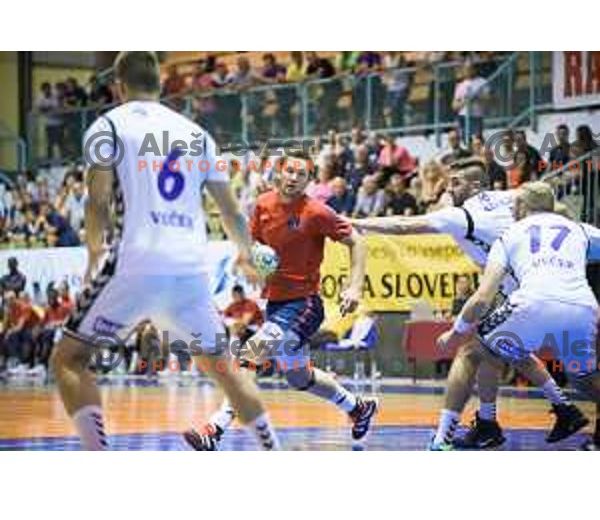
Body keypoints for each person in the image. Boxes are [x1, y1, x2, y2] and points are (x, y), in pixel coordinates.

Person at [50, 51, 279, 451]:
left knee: (69, 359)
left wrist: (91, 254)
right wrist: (245, 251)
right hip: (189, 272)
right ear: (159, 84)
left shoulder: (108, 125)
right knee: (225, 370)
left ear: (119, 86)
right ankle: (274, 451)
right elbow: (229, 210)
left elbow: (97, 202)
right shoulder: (197, 134)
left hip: (135, 263)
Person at [352, 159, 587, 449]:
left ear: (476, 186)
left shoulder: (463, 215)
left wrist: (355, 222)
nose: (449, 187)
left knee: (468, 352)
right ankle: (508, 420)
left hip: (529, 296)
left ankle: (442, 438)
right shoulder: (511, 197)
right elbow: (556, 206)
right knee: (502, 351)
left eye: (456, 182)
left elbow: (403, 224)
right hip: (549, 292)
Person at [184, 149, 378, 451]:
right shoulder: (262, 205)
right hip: (275, 304)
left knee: (250, 354)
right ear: (279, 172)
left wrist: (355, 288)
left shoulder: (316, 212)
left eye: (302, 174)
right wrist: (249, 265)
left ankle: (215, 429)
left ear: (308, 180)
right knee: (299, 377)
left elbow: (357, 240)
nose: (294, 178)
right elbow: (250, 250)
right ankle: (357, 408)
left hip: (304, 305)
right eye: (290, 171)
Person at [437, 181, 600, 448]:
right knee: (583, 379)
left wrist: (455, 331)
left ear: (523, 206)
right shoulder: (579, 229)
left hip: (534, 306)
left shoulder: (510, 234)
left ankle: (452, 435)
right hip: (581, 310)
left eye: (515, 204)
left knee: (474, 350)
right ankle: (563, 411)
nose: (511, 208)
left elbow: (482, 297)